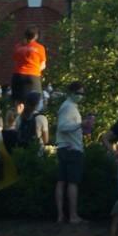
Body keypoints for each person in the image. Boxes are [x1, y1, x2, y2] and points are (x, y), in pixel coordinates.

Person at [52, 84, 86, 224]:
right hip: (71, 149)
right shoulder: (69, 107)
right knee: (72, 182)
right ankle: (73, 216)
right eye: (78, 93)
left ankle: (61, 215)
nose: (81, 96)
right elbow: (62, 127)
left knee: (61, 181)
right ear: (71, 92)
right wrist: (80, 125)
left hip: (64, 147)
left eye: (83, 94)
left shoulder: (69, 106)